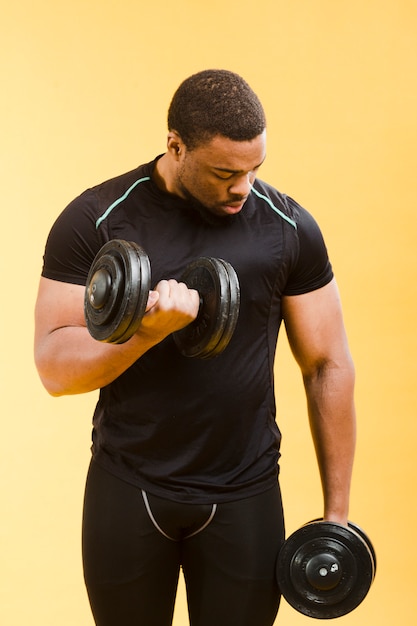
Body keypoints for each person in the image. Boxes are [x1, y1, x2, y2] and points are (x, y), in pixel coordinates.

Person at [34, 69, 356, 626]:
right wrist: (147, 332)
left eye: (255, 170)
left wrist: (338, 514)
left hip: (245, 491)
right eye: (224, 173)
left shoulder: (288, 228)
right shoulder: (96, 220)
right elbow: (56, 370)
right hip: (128, 485)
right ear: (175, 146)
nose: (243, 188)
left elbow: (327, 365)